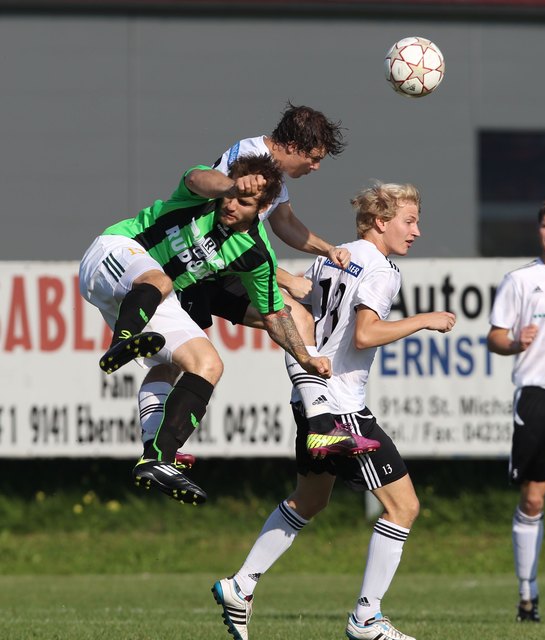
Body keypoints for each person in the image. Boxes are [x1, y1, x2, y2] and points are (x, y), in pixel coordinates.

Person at [211, 182, 456, 640]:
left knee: (310, 499)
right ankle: (367, 617)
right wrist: (424, 320)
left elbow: (306, 314)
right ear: (381, 222)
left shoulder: (334, 254)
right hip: (341, 406)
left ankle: (240, 585)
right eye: (409, 221)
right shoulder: (382, 270)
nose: (417, 232)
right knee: (403, 507)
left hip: (310, 400)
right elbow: (364, 334)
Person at [79, 153, 332, 505]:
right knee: (159, 278)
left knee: (207, 363)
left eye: (243, 202)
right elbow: (197, 177)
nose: (231, 205)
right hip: (115, 253)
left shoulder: (255, 254)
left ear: (263, 207)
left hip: (147, 299)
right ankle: (124, 340)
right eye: (231, 195)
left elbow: (275, 315)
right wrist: (229, 185)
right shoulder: (205, 196)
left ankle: (158, 458)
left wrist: (304, 355)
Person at [138, 103, 380, 460]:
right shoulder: (248, 157)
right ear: (294, 146)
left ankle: (322, 426)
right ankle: (154, 445)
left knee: (294, 318)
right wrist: (283, 278)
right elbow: (217, 224)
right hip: (189, 267)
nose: (315, 167)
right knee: (173, 360)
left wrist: (327, 249)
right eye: (314, 158)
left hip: (219, 272)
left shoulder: (272, 176)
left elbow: (284, 225)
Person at [487, 195, 545, 624]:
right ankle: (527, 595)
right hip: (537, 396)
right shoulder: (520, 281)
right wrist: (514, 342)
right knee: (534, 499)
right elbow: (495, 338)